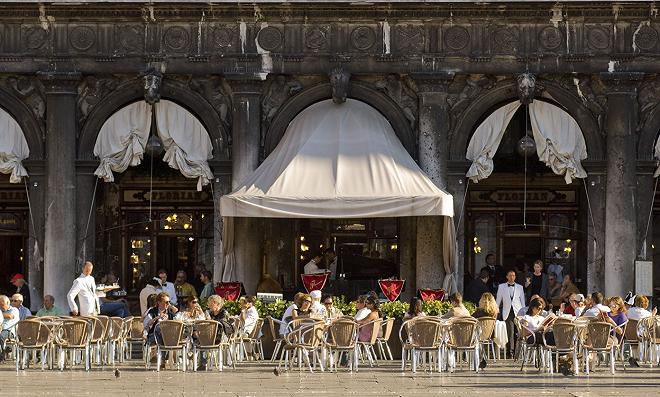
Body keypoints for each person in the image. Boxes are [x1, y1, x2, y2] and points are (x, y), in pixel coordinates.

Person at [496, 269, 525, 358]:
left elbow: (522, 301)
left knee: (519, 332)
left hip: (518, 311)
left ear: (515, 277)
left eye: (513, 275)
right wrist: (496, 310)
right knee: (510, 332)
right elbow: (498, 300)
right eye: (510, 275)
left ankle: (518, 351)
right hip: (508, 312)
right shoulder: (501, 287)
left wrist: (524, 313)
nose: (512, 277)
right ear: (507, 277)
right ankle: (510, 351)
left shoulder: (520, 287)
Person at [0, 295, 19, 361]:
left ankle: (1, 354)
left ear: (8, 303)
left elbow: (10, 316)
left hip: (9, 330)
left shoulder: (14, 310)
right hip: (1, 329)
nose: (1, 307)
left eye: (2, 305)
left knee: (1, 336)